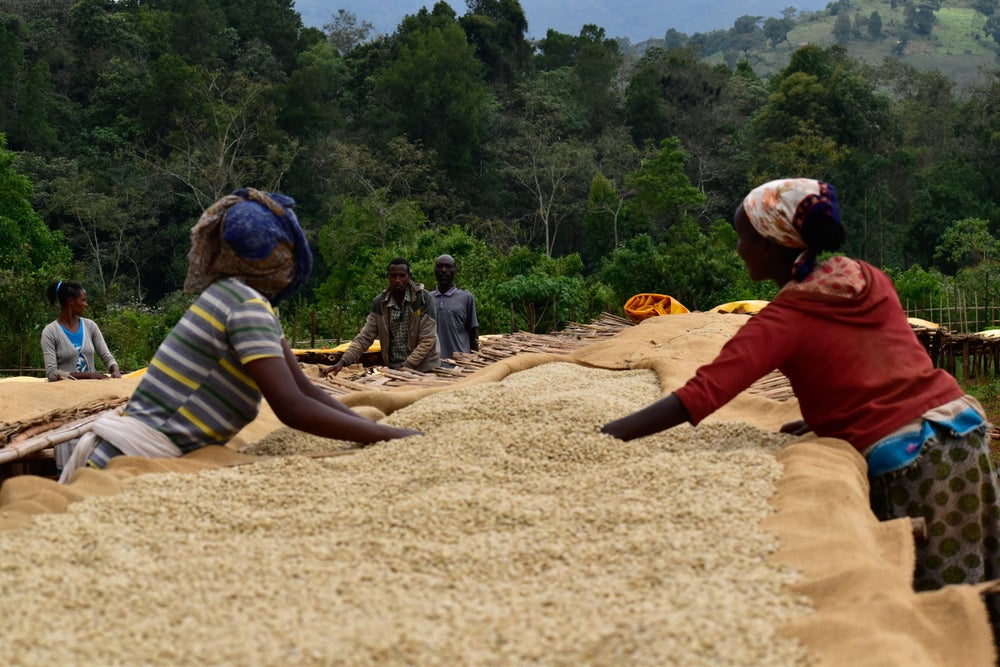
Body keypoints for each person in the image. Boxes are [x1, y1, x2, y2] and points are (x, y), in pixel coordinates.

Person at [601, 178, 1000, 635]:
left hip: (914, 459)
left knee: (935, 609)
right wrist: (820, 417)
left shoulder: (785, 318)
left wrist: (607, 436)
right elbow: (875, 362)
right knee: (982, 581)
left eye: (743, 238)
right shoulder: (864, 277)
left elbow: (702, 395)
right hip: (963, 428)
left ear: (772, 247)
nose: (738, 248)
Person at [58, 188, 420, 483]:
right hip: (126, 464)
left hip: (148, 456)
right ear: (279, 255)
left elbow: (304, 389)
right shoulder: (243, 304)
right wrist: (391, 438)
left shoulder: (247, 301)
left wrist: (374, 428)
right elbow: (290, 407)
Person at [321, 258, 440, 377]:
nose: (397, 280)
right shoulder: (380, 303)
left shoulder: (423, 300)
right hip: (395, 368)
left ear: (409, 276)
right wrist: (343, 361)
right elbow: (364, 338)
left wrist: (407, 366)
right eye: (393, 276)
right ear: (388, 277)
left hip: (424, 369)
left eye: (402, 276)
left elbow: (427, 339)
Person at [41, 280, 121, 382]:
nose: (86, 304)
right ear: (71, 301)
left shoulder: (90, 326)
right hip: (65, 393)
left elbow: (107, 357)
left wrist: (115, 370)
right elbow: (52, 373)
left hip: (91, 391)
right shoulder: (50, 332)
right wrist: (88, 375)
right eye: (83, 300)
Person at [430, 254, 479, 366]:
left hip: (459, 365)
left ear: (455, 270)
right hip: (433, 365)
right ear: (435, 270)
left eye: (448, 267)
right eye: (440, 266)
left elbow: (473, 331)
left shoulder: (466, 298)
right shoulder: (427, 298)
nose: (443, 270)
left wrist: (474, 359)